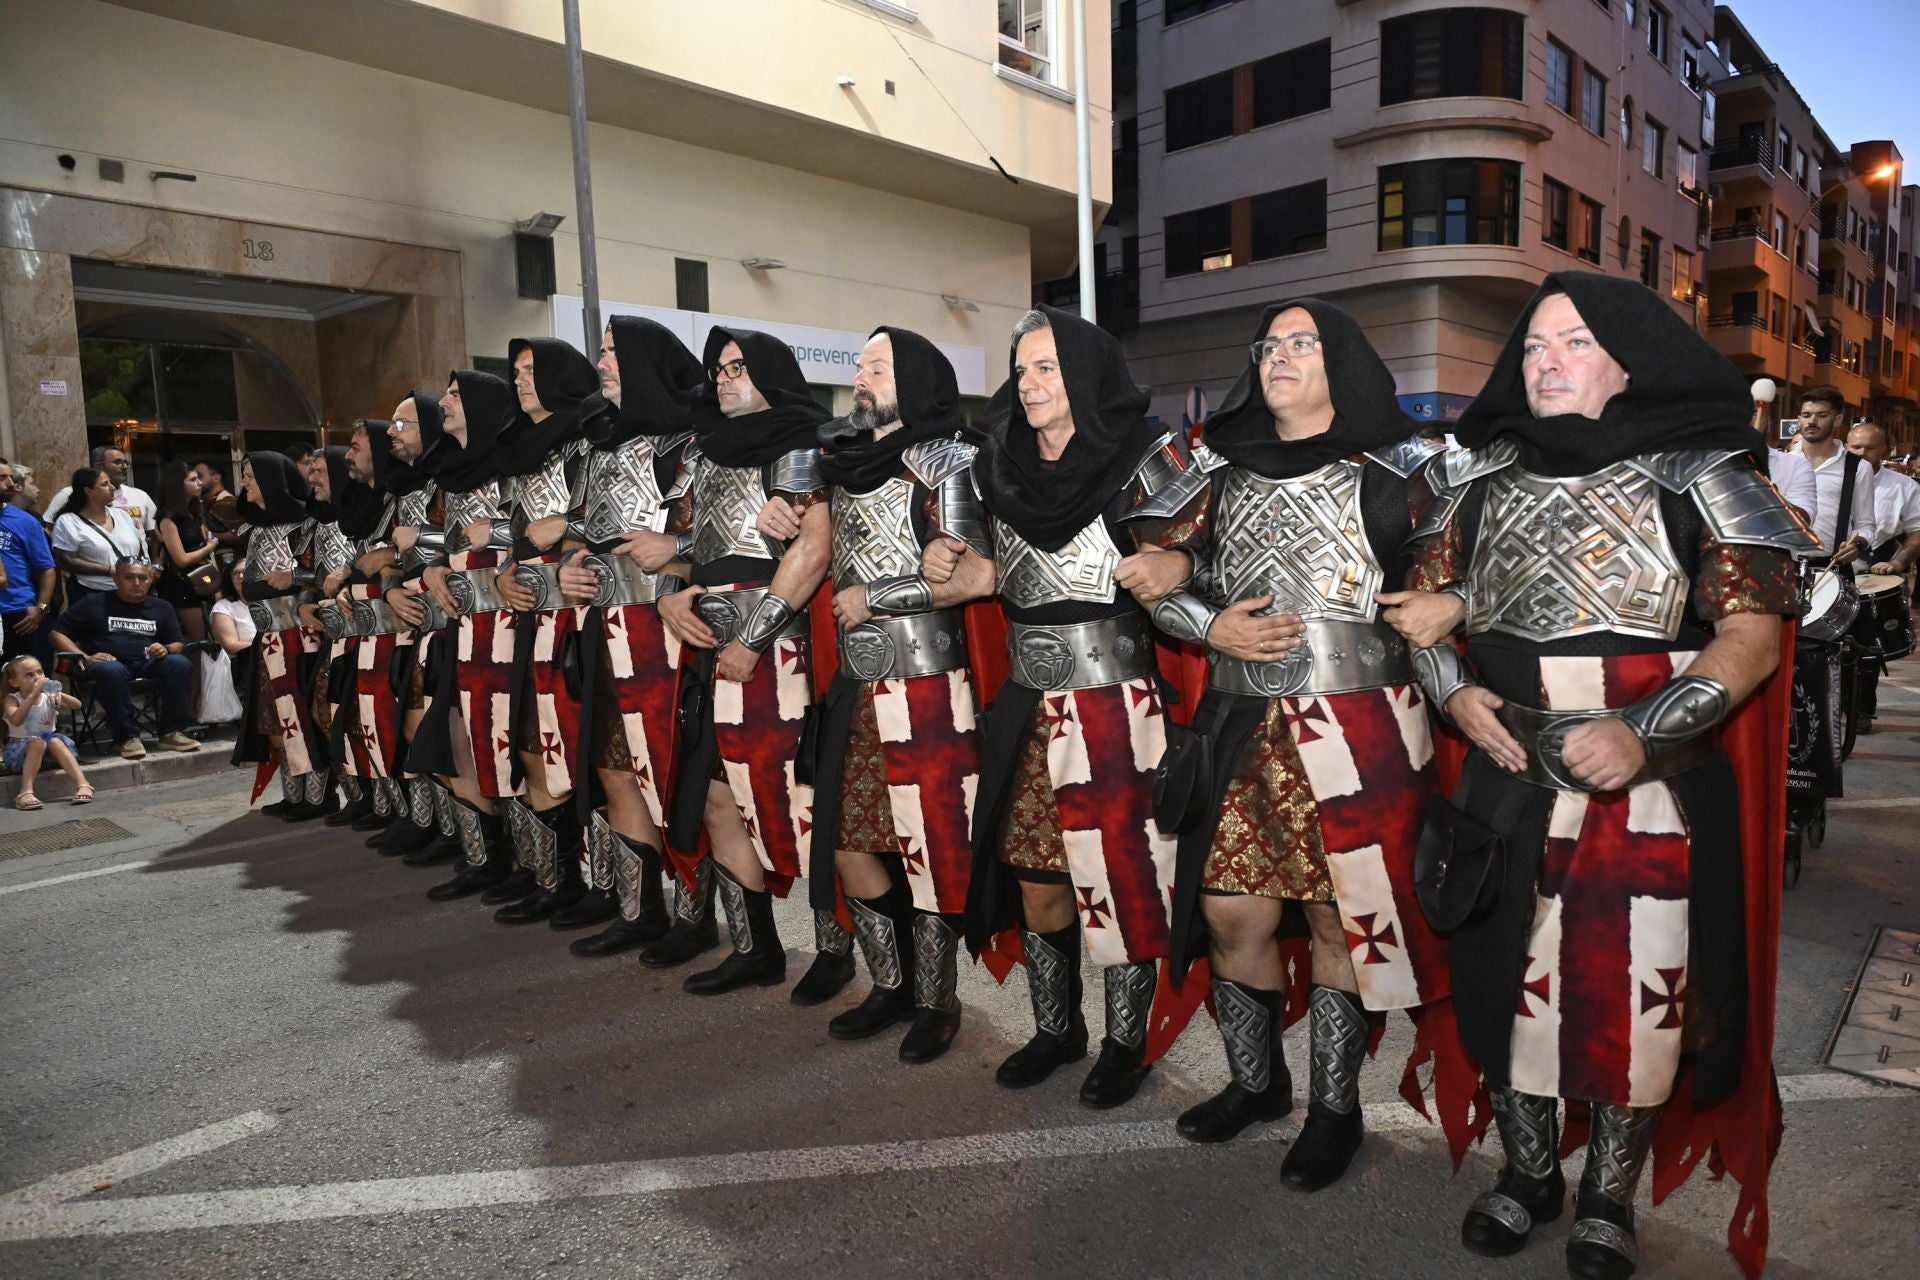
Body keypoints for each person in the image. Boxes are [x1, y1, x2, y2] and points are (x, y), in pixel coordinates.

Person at [1408, 272, 1813, 1279]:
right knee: (1504, 979)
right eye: (1534, 346)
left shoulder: (1702, 473)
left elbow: (1752, 639)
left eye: (1574, 343)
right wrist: (1456, 694)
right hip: (1507, 780)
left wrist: (1639, 732)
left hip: (1651, 794)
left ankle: (1607, 1196)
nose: (1546, 362)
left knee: (1636, 996)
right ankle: (1530, 1171)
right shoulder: (1476, 478)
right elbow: (1420, 615)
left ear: (1628, 362)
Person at [1144, 299, 1452, 1180]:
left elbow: (1455, 581)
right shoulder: (1215, 467)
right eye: (1269, 345)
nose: (1278, 356)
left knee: (1339, 918)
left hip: (1364, 724)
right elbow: (1152, 580)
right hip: (1241, 723)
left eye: (1301, 344)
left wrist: (1453, 605)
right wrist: (1208, 624)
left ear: (1340, 362)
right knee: (1228, 909)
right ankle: (1256, 1083)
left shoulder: (1407, 469)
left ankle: (1334, 1110)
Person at [933, 305, 1193, 1110]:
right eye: (1023, 369)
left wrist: (1181, 564)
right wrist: (951, 564)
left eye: (1047, 367)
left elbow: (1206, 547)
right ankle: (1057, 1029)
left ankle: (1125, 1043)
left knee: (1118, 878)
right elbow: (989, 570)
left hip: (1116, 702)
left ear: (1084, 376)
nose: (1030, 382)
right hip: (1026, 699)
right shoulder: (995, 463)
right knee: (1034, 872)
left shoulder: (1145, 454)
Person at [758, 326, 988, 1061]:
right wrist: (777, 521)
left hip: (929, 685)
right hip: (855, 684)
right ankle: (891, 983)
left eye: (878, 368)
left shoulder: (949, 460)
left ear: (914, 380)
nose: (861, 378)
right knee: (849, 841)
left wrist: (879, 594)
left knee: (931, 847)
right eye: (859, 367)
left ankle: (937, 1001)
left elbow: (977, 574)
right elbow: (809, 551)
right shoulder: (838, 462)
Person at [658, 327, 844, 999]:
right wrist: (669, 597)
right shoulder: (703, 451)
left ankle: (834, 950)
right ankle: (754, 947)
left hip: (779, 654)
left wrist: (753, 641)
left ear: (771, 372)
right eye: (718, 368)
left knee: (801, 803)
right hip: (711, 651)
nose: (723, 377)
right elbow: (686, 546)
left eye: (738, 367)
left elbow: (815, 550)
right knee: (716, 795)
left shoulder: (803, 444)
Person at [555, 316, 711, 959]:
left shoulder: (694, 441)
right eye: (601, 351)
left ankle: (697, 918)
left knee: (680, 777)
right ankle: (639, 909)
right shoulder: (598, 446)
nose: (602, 363)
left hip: (671, 635)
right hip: (605, 629)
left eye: (615, 352)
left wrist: (676, 547)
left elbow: (738, 540)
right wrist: (568, 567)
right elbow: (578, 532)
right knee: (615, 768)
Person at [488, 336, 603, 925]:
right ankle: (555, 878)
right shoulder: (516, 448)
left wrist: (568, 522)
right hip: (530, 623)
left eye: (532, 369)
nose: (520, 380)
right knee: (532, 745)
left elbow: (612, 511)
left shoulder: (587, 439)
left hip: (580, 623)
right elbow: (512, 535)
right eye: (516, 371)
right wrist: (504, 574)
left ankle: (606, 888)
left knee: (587, 752)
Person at [406, 371, 522, 887]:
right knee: (458, 737)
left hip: (510, 625)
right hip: (461, 627)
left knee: (508, 742)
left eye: (456, 395)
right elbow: (442, 542)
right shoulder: (446, 474)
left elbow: (548, 526)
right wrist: (431, 568)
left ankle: (530, 867)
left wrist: (497, 532)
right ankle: (484, 858)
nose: (445, 402)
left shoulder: (513, 461)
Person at [230, 451, 327, 817]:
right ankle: (294, 794)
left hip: (300, 636)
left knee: (302, 717)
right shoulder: (251, 529)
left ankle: (317, 797)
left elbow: (327, 573)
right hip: (267, 636)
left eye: (251, 475)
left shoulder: (305, 524)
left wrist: (296, 579)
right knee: (275, 721)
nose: (244, 482)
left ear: (272, 480)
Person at [48, 557, 203, 759]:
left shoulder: (162, 607)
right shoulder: (93, 603)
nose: (136, 583)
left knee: (179, 663)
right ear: (116, 579)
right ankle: (127, 737)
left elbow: (177, 643)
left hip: (147, 663)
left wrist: (165, 648)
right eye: (129, 577)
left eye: (142, 578)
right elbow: (56, 634)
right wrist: (85, 657)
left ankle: (171, 733)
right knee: (111, 669)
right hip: (108, 665)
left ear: (150, 579)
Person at [1842, 421, 1920, 733]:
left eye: (1870, 447)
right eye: (1856, 447)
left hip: (1878, 567)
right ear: (1846, 447)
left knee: (1869, 642)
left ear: (1884, 450)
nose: (1862, 453)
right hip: (1834, 562)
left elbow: (1916, 532)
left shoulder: (1904, 487)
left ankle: (1861, 709)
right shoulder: (1831, 477)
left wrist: (1897, 562)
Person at [1789, 386, 1876, 563]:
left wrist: (1857, 545)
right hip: (1785, 567)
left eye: (1822, 415)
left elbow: (1865, 524)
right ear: (1799, 419)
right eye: (1806, 415)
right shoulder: (1784, 463)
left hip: (1833, 568)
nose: (1812, 421)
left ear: (1837, 420)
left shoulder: (1858, 467)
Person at [4, 654, 90, 809]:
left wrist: (59, 693)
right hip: (21, 754)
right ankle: (25, 792)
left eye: (40, 672)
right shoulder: (13, 699)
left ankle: (83, 784)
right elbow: (16, 720)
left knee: (54, 740)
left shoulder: (48, 695)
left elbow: (77, 705)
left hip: (50, 752)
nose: (37, 677)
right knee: (38, 742)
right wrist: (33, 694)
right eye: (29, 675)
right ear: (14, 682)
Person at [49, 467, 143, 601]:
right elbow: (66, 560)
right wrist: (110, 569)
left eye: (110, 483)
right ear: (88, 491)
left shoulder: (122, 515)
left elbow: (139, 547)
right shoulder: (68, 521)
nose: (112, 487)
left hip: (130, 591)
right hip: (92, 593)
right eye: (105, 484)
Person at [0, 456, 57, 661]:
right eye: (2, 478)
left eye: (10, 477)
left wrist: (41, 608)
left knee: (21, 672)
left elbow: (46, 568)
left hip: (16, 609)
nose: (10, 483)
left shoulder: (25, 521)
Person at [155, 461, 218, 642]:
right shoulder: (167, 517)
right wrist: (209, 547)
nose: (199, 483)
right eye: (193, 479)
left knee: (213, 637)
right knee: (200, 640)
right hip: (182, 584)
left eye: (198, 478)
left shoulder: (195, 511)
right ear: (178, 484)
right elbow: (181, 559)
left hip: (204, 578)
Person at [46, 445, 158, 544]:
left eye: (126, 463)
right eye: (117, 462)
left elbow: (155, 533)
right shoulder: (70, 494)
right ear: (99, 466)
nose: (124, 467)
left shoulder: (140, 495)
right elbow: (50, 529)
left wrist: (156, 560)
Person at [194, 461, 244, 552]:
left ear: (216, 478)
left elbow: (240, 536)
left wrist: (207, 534)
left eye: (200, 476)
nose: (197, 482)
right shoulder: (202, 504)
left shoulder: (228, 503)